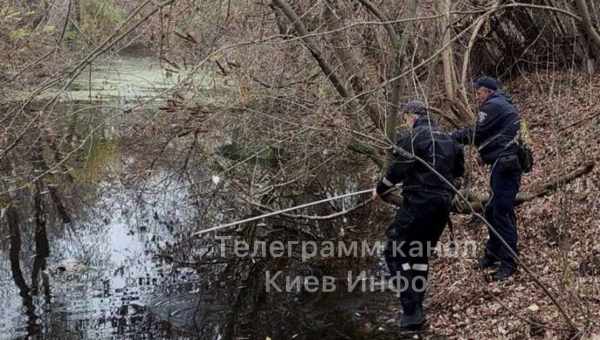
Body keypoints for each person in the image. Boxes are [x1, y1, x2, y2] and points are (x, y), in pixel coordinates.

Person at [373, 100, 465, 331]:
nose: (406, 123)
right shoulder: (451, 140)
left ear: (411, 117)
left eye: (405, 119)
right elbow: (459, 175)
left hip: (419, 204)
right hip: (443, 206)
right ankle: (417, 308)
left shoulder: (414, 138)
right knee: (420, 255)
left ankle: (411, 308)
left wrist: (380, 189)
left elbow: (397, 170)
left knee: (394, 252)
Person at [451, 76, 522, 281]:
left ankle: (509, 262)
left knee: (501, 212)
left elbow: (476, 134)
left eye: (479, 91)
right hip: (505, 164)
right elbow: (498, 135)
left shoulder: (492, 106)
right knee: (492, 209)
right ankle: (492, 255)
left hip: (506, 167)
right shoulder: (503, 103)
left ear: (489, 91)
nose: (477, 95)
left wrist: (451, 137)